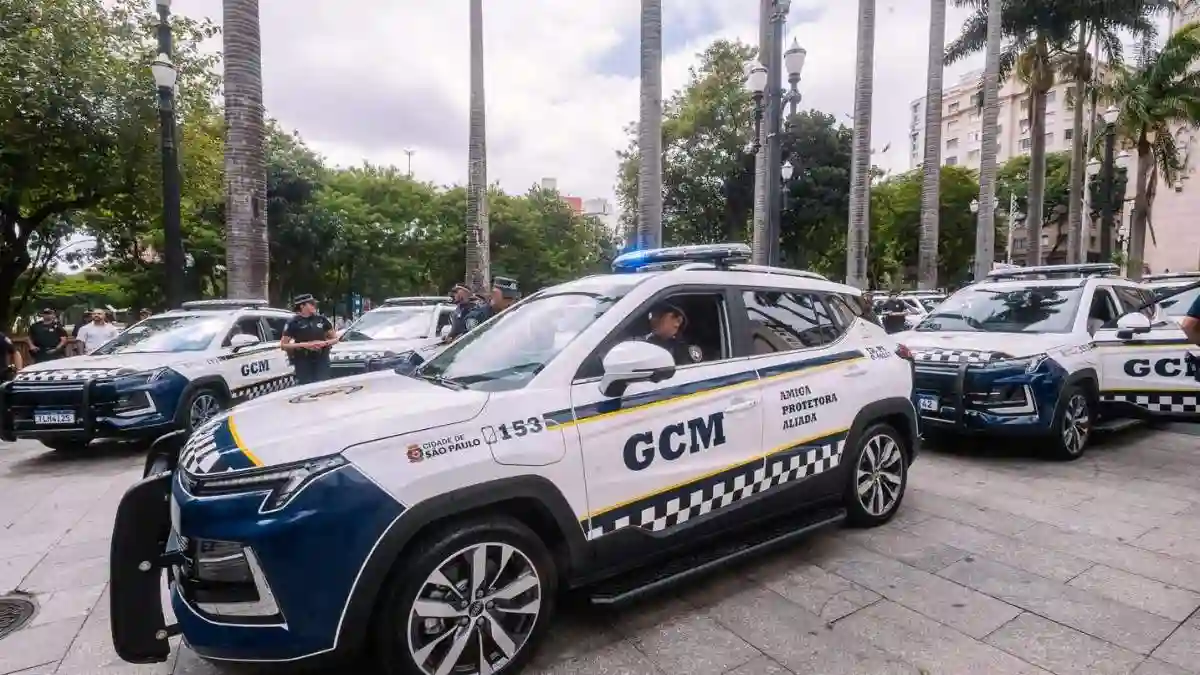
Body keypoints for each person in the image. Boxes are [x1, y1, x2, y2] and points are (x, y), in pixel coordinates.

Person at [281, 294, 337, 385]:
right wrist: (305, 345)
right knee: (306, 386)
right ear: (302, 306)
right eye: (311, 304)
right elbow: (283, 345)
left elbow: (335, 339)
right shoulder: (293, 322)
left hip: (321, 358)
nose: (314, 306)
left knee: (323, 385)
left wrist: (323, 343)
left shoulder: (321, 320)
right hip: (303, 360)